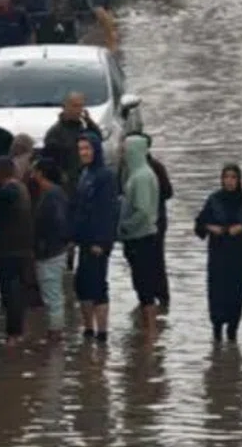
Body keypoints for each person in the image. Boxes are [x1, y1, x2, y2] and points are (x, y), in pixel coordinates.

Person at [194, 164, 242, 343]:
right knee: (217, 294)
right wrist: (211, 228)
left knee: (237, 295)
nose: (230, 181)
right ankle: (216, 335)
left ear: (239, 180)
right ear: (222, 179)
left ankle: (233, 336)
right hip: (218, 257)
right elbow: (199, 224)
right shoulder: (214, 200)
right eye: (226, 177)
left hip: (238, 257)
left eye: (233, 177)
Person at [73, 133, 117, 341]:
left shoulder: (105, 176)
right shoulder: (85, 173)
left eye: (87, 148)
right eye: (81, 149)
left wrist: (101, 241)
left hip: (98, 241)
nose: (83, 153)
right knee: (82, 284)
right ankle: (88, 329)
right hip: (84, 240)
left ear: (96, 150)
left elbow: (108, 211)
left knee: (98, 285)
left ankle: (102, 333)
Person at [118, 134, 161, 336]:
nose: (122, 155)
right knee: (142, 284)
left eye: (125, 151)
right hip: (139, 237)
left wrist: (125, 226)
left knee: (145, 286)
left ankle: (150, 331)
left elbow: (143, 211)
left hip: (141, 238)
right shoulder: (139, 174)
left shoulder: (141, 177)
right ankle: (148, 329)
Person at [0, 156, 33, 346]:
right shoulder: (22, 189)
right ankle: (19, 330)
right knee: (19, 291)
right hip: (23, 248)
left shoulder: (7, 192)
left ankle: (13, 334)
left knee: (10, 292)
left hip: (8, 250)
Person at [33, 157, 72, 340]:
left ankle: (56, 332)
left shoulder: (51, 195)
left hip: (51, 252)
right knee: (52, 292)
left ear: (41, 174)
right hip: (54, 250)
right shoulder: (55, 193)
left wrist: (45, 242)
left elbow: (56, 223)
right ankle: (55, 330)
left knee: (52, 293)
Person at [44, 92, 103, 199]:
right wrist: (61, 176)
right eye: (75, 106)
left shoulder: (83, 129)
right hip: (67, 185)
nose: (79, 110)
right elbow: (49, 160)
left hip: (85, 180)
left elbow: (98, 140)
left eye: (81, 106)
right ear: (65, 107)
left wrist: (89, 121)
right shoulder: (55, 133)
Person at [144, 137, 173, 309]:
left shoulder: (156, 167)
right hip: (143, 222)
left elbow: (168, 192)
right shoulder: (128, 167)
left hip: (157, 220)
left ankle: (161, 297)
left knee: (156, 258)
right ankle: (149, 297)